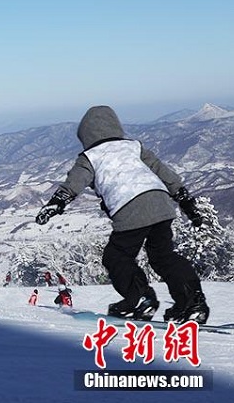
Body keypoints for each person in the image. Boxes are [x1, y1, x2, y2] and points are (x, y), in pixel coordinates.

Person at [35, 105, 210, 324]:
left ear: (86, 135)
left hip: (129, 205)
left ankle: (139, 299)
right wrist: (184, 199)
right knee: (163, 256)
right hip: (161, 202)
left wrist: (56, 203)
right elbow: (162, 170)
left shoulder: (90, 156)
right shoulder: (134, 147)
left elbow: (74, 183)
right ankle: (192, 303)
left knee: (116, 256)